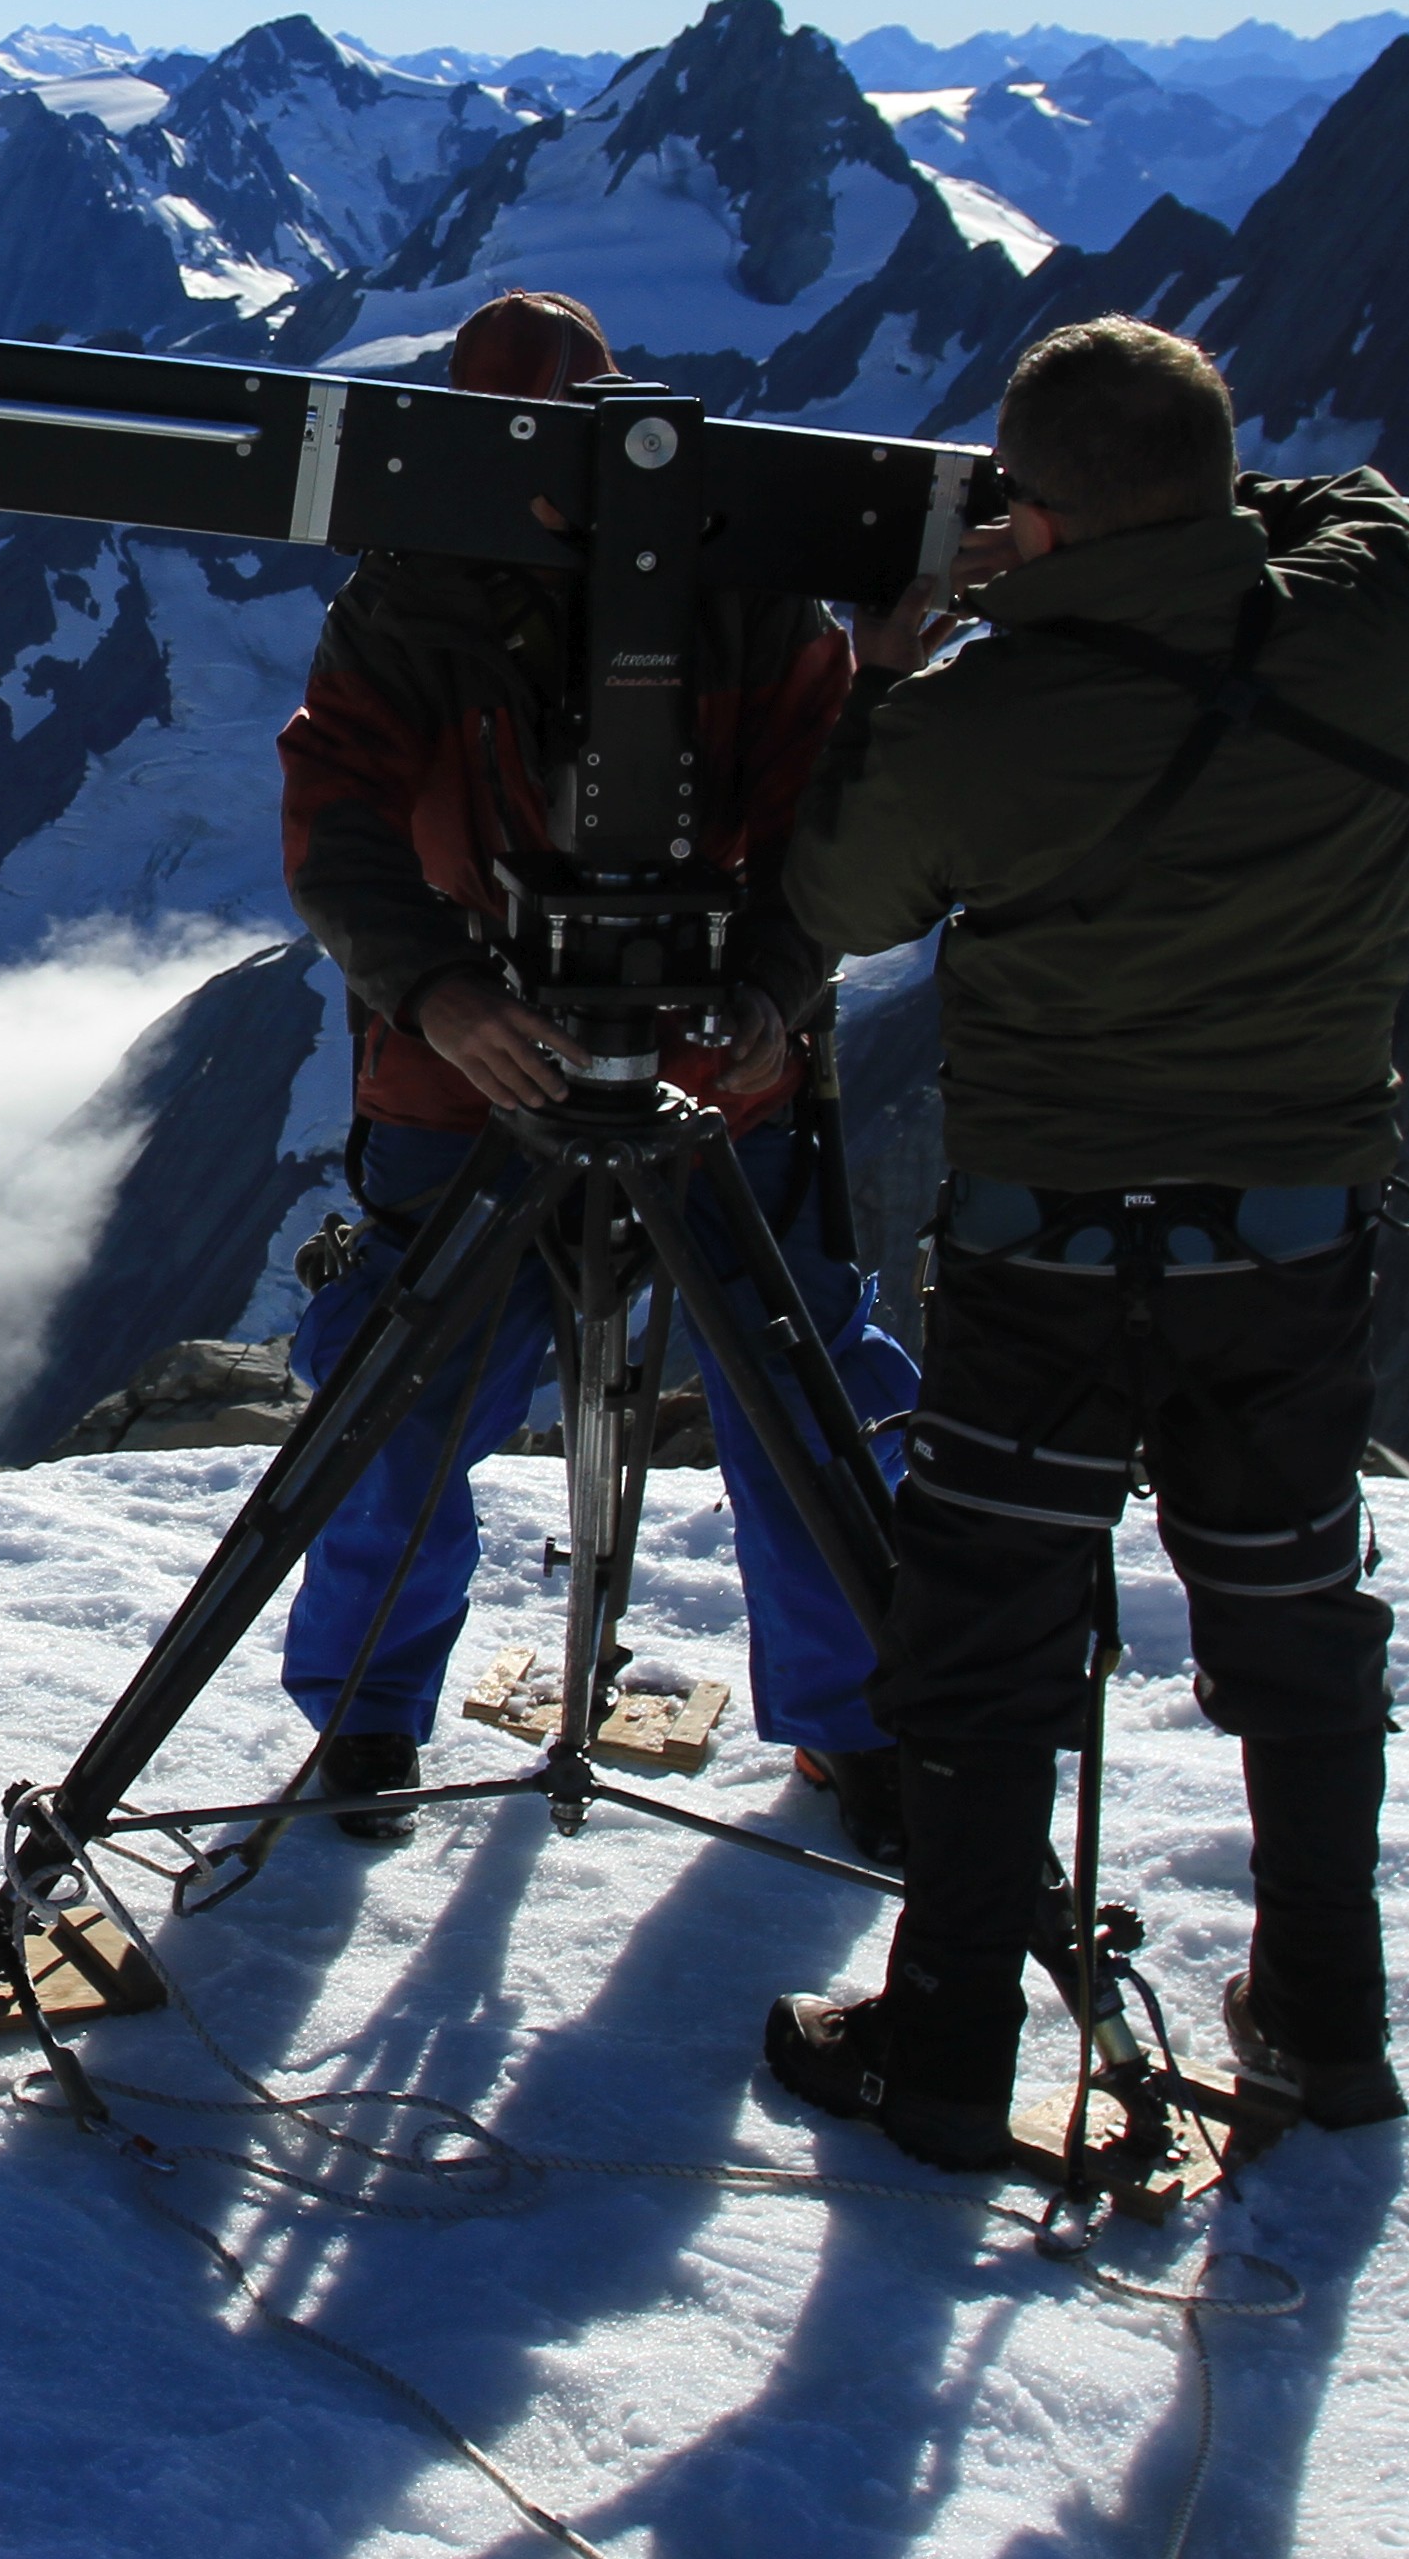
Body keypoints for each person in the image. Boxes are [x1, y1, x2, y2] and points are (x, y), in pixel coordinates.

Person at [758, 314, 1409, 2167]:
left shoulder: (980, 719)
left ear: (1034, 520)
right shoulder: (1371, 614)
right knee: (1297, 1636)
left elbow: (836, 891)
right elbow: (1353, 510)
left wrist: (905, 662)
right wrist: (1150, 523)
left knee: (984, 1650)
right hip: (1288, 1253)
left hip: (1045, 1254)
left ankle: (950, 2046)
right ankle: (1324, 2026)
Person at [270, 289, 918, 1862]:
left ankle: (853, 1720)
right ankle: (375, 1712)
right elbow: (335, 812)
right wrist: (440, 991)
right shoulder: (424, 598)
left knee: (780, 1394)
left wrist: (769, 983)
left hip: (602, 1075)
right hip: (494, 1079)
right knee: (425, 1400)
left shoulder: (722, 596)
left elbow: (813, 814)